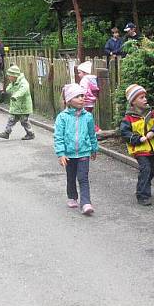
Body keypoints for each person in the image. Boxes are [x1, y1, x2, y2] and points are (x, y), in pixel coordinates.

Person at [54, 83, 99, 216]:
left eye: (82, 96)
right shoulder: (62, 117)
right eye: (78, 96)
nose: (82, 99)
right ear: (69, 100)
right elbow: (58, 136)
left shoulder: (88, 117)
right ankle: (72, 196)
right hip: (69, 154)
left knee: (83, 177)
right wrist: (61, 153)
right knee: (71, 176)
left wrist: (94, 148)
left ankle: (85, 203)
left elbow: (92, 134)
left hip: (84, 152)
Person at [119, 83, 154, 206]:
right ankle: (142, 195)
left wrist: (153, 132)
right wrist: (138, 139)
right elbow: (125, 133)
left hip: (153, 147)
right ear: (133, 101)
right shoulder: (128, 118)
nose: (145, 99)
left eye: (145, 96)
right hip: (139, 149)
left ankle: (144, 184)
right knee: (146, 169)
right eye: (141, 97)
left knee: (153, 169)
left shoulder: (152, 114)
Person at [0, 65, 35, 140]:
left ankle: (30, 133)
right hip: (16, 106)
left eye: (10, 76)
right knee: (11, 119)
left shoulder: (24, 83)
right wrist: (10, 86)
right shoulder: (13, 82)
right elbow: (8, 90)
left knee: (24, 121)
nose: (9, 77)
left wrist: (16, 96)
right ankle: (6, 133)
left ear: (14, 75)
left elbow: (22, 91)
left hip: (24, 106)